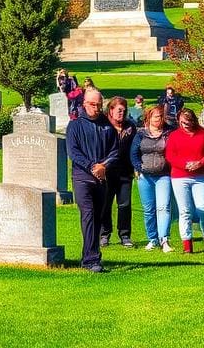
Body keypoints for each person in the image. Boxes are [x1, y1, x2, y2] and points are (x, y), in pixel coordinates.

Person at [66, 88, 120, 273]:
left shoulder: (107, 125)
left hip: (101, 179)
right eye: (92, 104)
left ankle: (88, 256)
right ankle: (91, 259)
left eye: (98, 105)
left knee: (97, 217)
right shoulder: (75, 126)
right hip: (82, 179)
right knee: (88, 215)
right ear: (84, 104)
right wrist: (92, 166)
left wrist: (103, 166)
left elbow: (115, 151)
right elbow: (73, 152)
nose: (96, 108)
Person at [165, 108, 204, 254]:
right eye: (182, 122)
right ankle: (187, 244)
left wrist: (200, 163)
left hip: (200, 177)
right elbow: (170, 156)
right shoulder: (174, 136)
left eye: (188, 122)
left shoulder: (203, 134)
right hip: (180, 177)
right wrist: (185, 165)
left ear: (193, 120)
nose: (186, 125)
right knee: (185, 211)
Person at [131, 105, 174, 252]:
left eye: (161, 117)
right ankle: (152, 239)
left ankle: (165, 240)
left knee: (163, 207)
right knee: (148, 209)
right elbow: (133, 153)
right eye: (156, 117)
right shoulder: (141, 134)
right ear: (149, 118)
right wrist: (139, 168)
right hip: (145, 176)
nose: (159, 119)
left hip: (164, 175)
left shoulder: (169, 132)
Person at [100, 96, 138, 249]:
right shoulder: (103, 126)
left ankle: (125, 235)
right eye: (119, 110)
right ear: (111, 110)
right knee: (105, 204)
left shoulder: (131, 127)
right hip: (107, 172)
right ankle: (104, 235)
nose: (121, 113)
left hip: (125, 172)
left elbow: (135, 149)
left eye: (124, 110)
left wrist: (136, 167)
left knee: (125, 205)